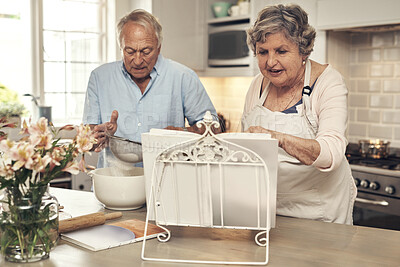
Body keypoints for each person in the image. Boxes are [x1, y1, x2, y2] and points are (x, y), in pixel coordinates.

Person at [241, 4, 357, 224]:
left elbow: (331, 153)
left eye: (281, 51)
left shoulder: (328, 83)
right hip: (268, 210)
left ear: (303, 50)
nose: (270, 62)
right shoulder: (258, 85)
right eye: (263, 52)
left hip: (320, 212)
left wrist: (278, 138)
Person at [82, 9, 217, 168]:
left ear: (159, 48)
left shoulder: (183, 77)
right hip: (115, 184)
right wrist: (98, 136)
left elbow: (214, 129)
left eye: (146, 51)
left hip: (167, 183)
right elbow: (86, 140)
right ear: (121, 47)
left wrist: (182, 133)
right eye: (130, 51)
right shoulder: (99, 78)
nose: (138, 60)